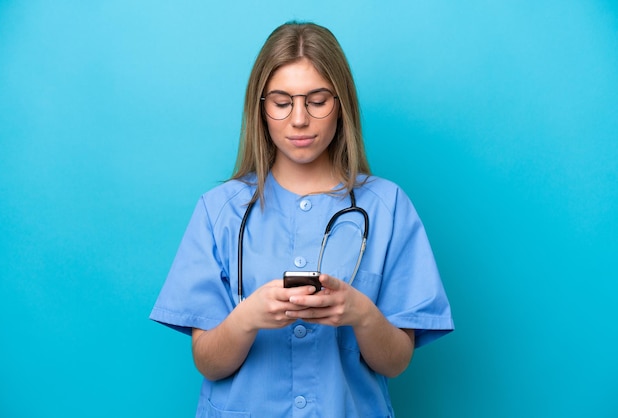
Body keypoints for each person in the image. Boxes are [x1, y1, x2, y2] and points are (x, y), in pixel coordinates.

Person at [150, 21, 454, 417]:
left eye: (317, 100)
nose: (298, 119)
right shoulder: (218, 210)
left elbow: (395, 362)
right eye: (281, 102)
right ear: (260, 108)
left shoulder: (387, 206)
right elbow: (208, 362)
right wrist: (249, 316)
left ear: (341, 103)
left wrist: (359, 313)